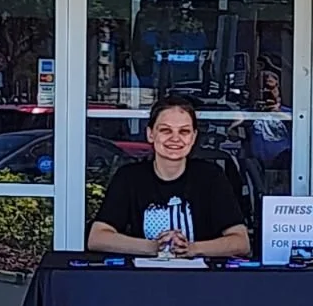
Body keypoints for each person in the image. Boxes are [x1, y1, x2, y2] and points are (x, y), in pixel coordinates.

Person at [88, 94, 251, 259]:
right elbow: (97, 238)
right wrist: (152, 247)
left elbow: (241, 242)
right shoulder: (129, 177)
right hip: (141, 279)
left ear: (193, 137)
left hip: (201, 280)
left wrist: (191, 249)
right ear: (150, 134)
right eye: (165, 130)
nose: (175, 138)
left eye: (184, 131)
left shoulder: (211, 177)